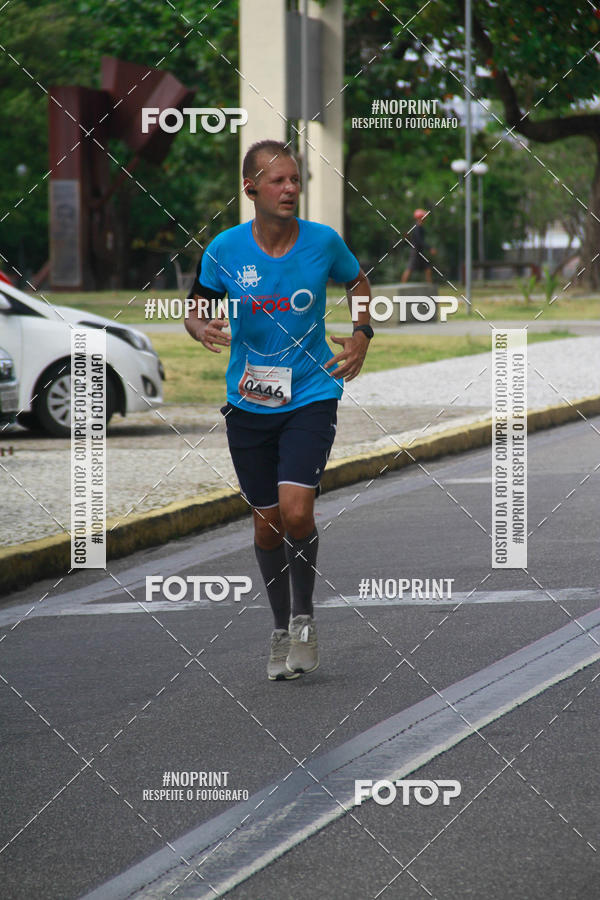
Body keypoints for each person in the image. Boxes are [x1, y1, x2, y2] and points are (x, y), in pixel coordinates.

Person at [185, 139, 372, 680]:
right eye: (278, 181)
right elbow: (197, 304)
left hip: (312, 392)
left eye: (295, 180)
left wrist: (362, 334)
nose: (290, 189)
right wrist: (199, 326)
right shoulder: (224, 249)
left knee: (296, 512)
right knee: (267, 524)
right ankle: (279, 628)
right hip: (248, 399)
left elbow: (358, 280)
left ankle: (306, 616)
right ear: (250, 189)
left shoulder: (323, 242)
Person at [401, 208, 435, 283]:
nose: (425, 218)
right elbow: (419, 241)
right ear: (420, 217)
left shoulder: (419, 227)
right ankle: (402, 285)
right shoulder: (417, 228)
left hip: (420, 251)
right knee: (410, 268)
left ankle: (430, 287)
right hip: (416, 251)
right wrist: (430, 248)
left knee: (427, 268)